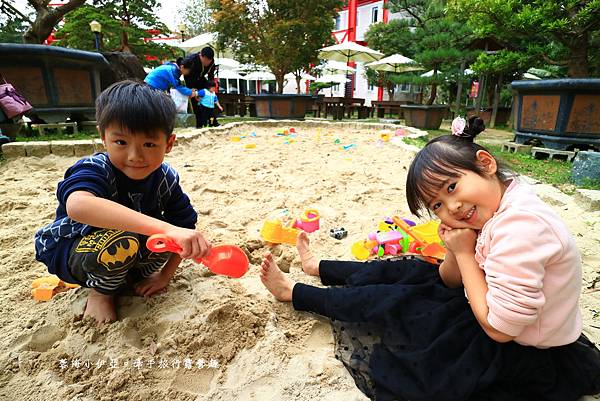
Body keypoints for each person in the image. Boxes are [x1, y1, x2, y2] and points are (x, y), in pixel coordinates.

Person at [259, 116, 600, 401]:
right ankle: (319, 267)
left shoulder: (522, 228)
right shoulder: (497, 204)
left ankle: (297, 293)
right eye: (437, 205)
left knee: (399, 300)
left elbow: (500, 329)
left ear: (486, 164)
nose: (451, 207)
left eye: (452, 187)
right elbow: (447, 278)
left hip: (520, 352)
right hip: (487, 308)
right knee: (408, 269)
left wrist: (465, 253)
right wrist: (454, 248)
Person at [34, 80, 212, 324]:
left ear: (168, 144)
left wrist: (164, 276)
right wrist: (167, 228)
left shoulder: (165, 178)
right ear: (103, 137)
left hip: (134, 255)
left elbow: (185, 226)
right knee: (127, 240)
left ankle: (123, 278)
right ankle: (102, 291)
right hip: (76, 250)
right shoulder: (96, 168)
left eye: (149, 144)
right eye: (121, 142)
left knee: (168, 240)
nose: (135, 156)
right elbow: (78, 206)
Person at [182, 47, 217, 128]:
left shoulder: (212, 63)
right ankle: (199, 124)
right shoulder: (192, 60)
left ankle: (214, 122)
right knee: (195, 101)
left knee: (209, 97)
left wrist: (211, 88)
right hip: (190, 80)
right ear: (201, 56)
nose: (207, 63)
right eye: (206, 60)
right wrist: (192, 90)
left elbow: (211, 76)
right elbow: (186, 75)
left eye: (209, 61)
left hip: (201, 79)